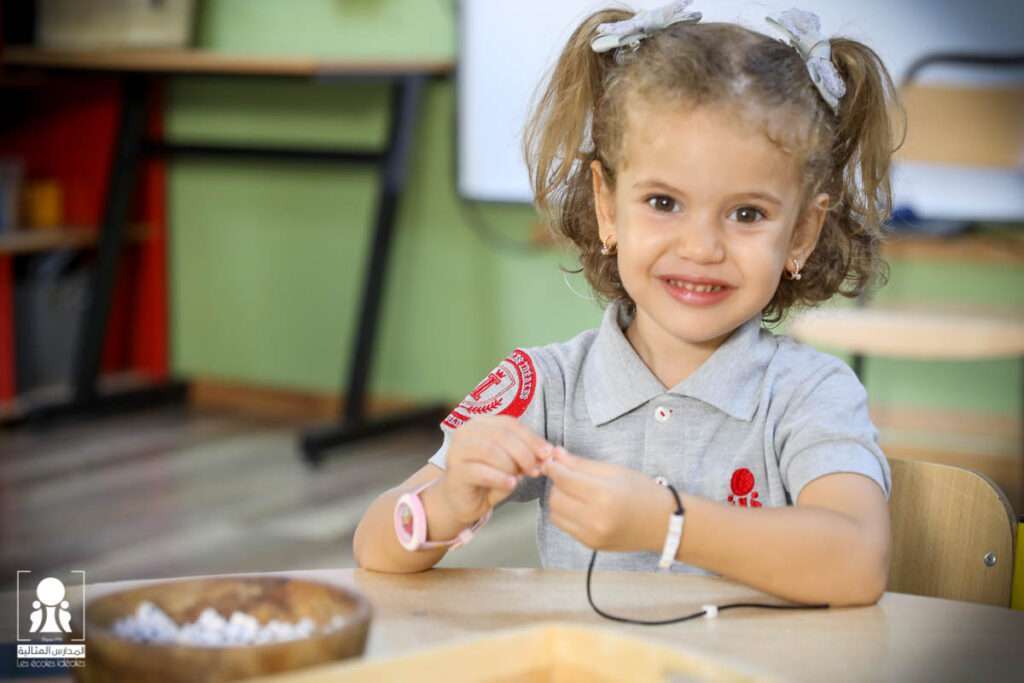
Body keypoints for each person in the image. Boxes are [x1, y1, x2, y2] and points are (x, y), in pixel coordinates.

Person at [354, 1, 904, 608]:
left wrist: (668, 524)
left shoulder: (811, 393)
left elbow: (856, 563)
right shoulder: (546, 386)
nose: (700, 247)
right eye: (664, 202)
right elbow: (374, 548)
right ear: (608, 206)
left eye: (747, 214)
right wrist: (446, 500)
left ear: (801, 231)